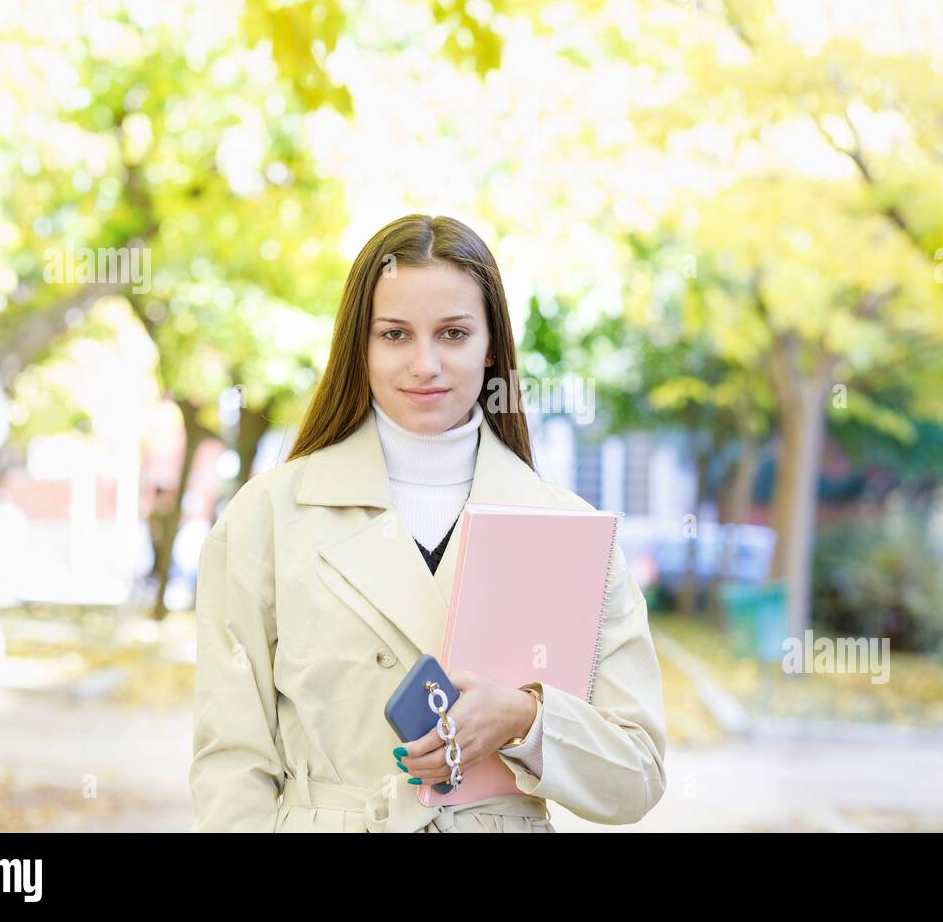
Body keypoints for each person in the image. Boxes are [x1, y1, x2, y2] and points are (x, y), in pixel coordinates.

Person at [189, 214, 667, 832]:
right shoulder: (268, 516)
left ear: (491, 345)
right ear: (359, 346)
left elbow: (637, 773)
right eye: (394, 335)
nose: (425, 364)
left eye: (453, 334)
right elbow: (231, 762)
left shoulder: (568, 531)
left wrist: (525, 721)